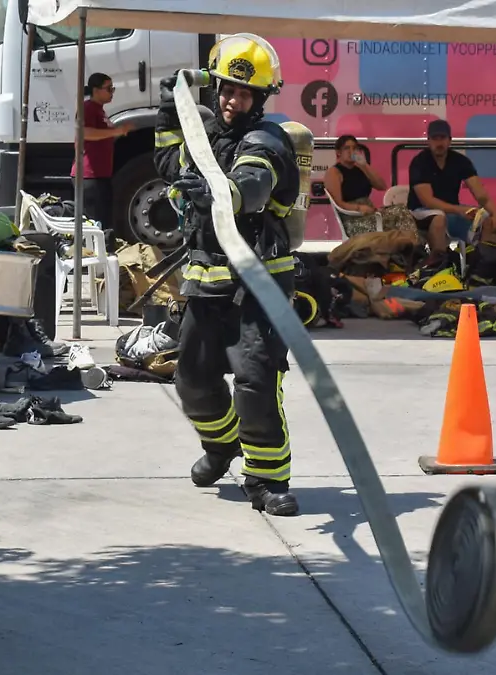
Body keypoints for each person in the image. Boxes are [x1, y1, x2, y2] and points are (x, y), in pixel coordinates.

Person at [154, 34, 302, 516]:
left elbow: (253, 184)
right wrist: (168, 115)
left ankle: (267, 479)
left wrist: (223, 196)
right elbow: (169, 161)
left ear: (260, 99)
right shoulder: (207, 137)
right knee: (192, 379)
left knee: (255, 381)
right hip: (208, 282)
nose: (231, 101)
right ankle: (221, 448)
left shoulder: (268, 140)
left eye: (242, 94)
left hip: (258, 286)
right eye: (225, 91)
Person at [406, 120, 496, 267]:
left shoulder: (460, 161)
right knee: (439, 218)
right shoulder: (419, 162)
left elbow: (481, 194)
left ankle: (485, 268)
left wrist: (495, 215)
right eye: (435, 138)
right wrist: (460, 210)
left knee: (488, 221)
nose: (439, 143)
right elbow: (427, 201)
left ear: (449, 140)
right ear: (428, 141)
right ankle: (439, 267)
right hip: (421, 212)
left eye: (442, 138)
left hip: (452, 213)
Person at [72, 72, 128, 253]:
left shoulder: (99, 110)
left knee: (103, 220)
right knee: (94, 222)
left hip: (101, 174)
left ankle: (103, 257)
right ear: (96, 90)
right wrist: (115, 132)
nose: (112, 92)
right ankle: (93, 261)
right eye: (108, 88)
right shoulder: (87, 108)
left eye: (113, 88)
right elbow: (84, 133)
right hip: (89, 175)